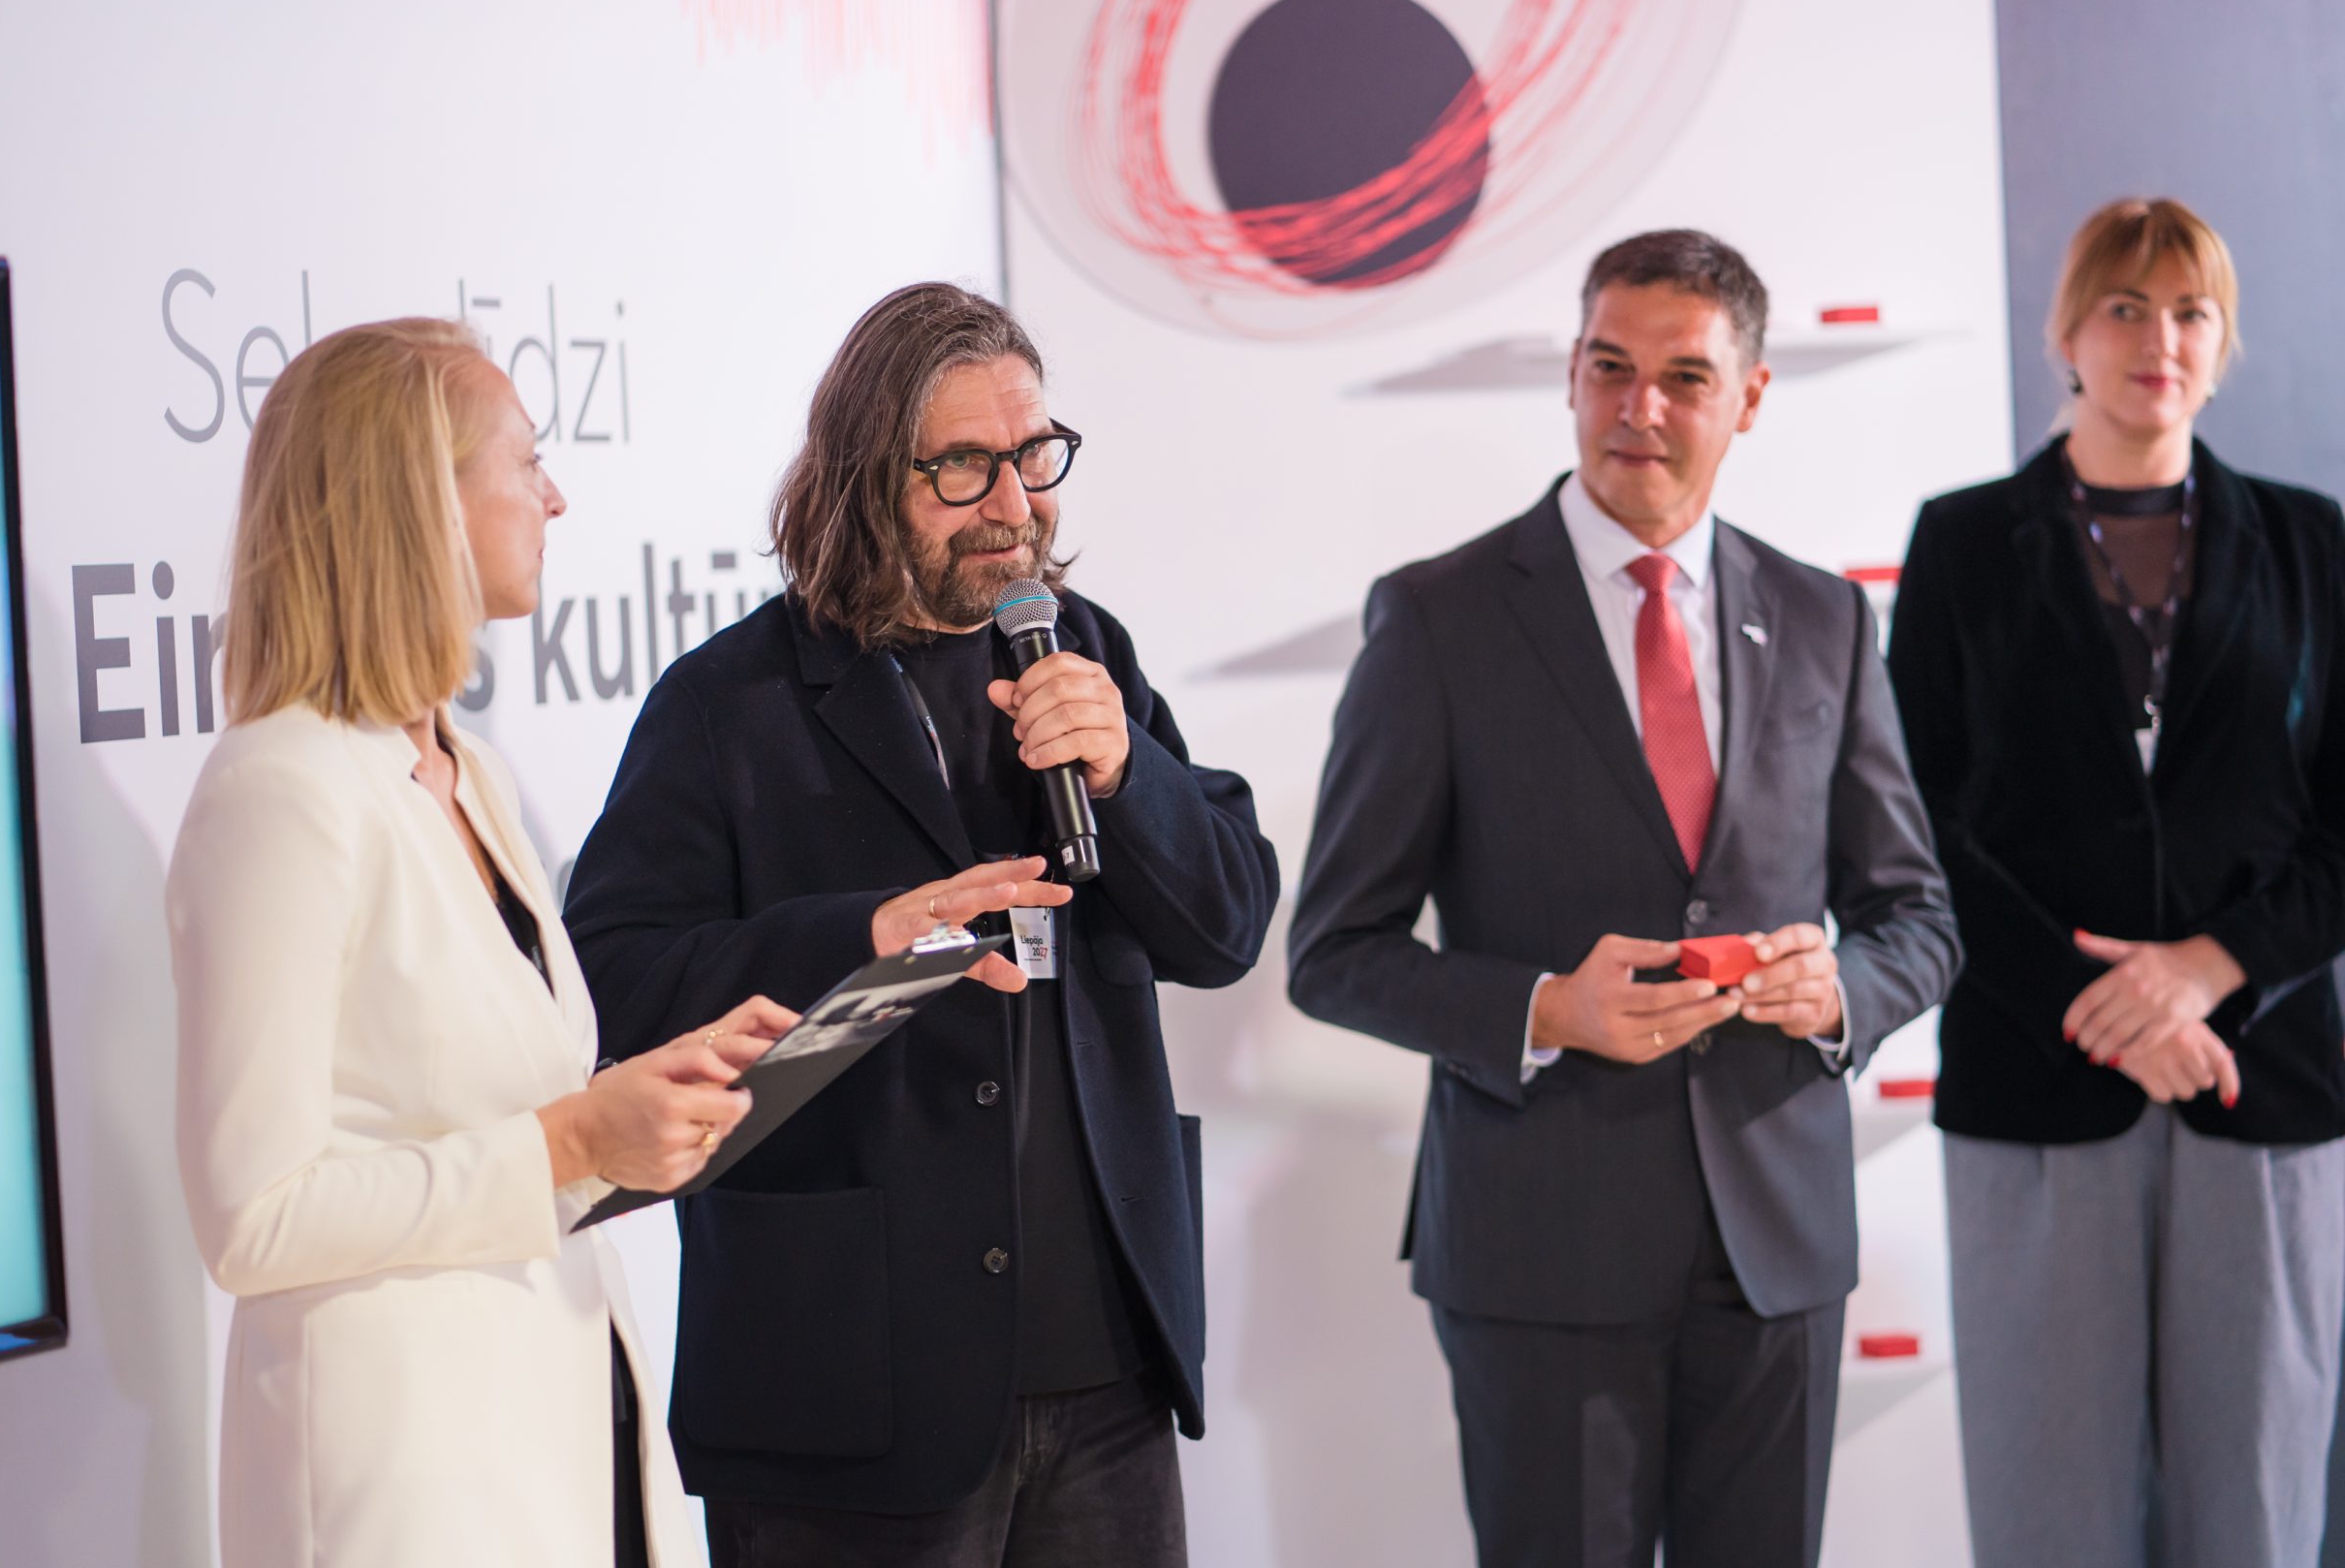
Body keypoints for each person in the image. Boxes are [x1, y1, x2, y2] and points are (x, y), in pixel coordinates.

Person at [562, 281, 1280, 1566]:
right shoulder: (728, 702)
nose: (1015, 503)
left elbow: (1225, 929)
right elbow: (613, 982)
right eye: (963, 467)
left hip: (1106, 1368)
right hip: (847, 1384)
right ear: (862, 479)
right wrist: (864, 938)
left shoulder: (1080, 651)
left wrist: (1131, 777)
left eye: (1034, 455)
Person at [1289, 230, 1960, 1567]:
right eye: (1609, 367)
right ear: (1572, 375)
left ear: (1750, 396)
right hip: (1541, 1251)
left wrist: (1842, 988)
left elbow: (1917, 917)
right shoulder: (1437, 618)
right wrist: (1545, 1008)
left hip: (1776, 1249)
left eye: (1684, 378)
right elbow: (1334, 949)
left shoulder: (1827, 617)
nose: (1638, 408)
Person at [168, 318, 797, 1568]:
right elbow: (253, 1218)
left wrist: (647, 1097)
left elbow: (492, 1110)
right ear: (424, 499)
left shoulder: (465, 769)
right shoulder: (281, 789)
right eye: (526, 461)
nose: (555, 497)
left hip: (557, 1435)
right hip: (403, 1482)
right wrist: (573, 1137)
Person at [1887, 197, 2345, 1568]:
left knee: (2252, 1514)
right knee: (2052, 1517)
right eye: (2127, 308)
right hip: (2035, 1081)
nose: (2161, 340)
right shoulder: (1964, 542)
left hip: (2258, 1082)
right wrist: (2094, 1007)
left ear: (2224, 341)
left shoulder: (2312, 542)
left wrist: (2210, 970)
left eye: (2192, 312)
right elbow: (1916, 821)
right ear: (2068, 334)